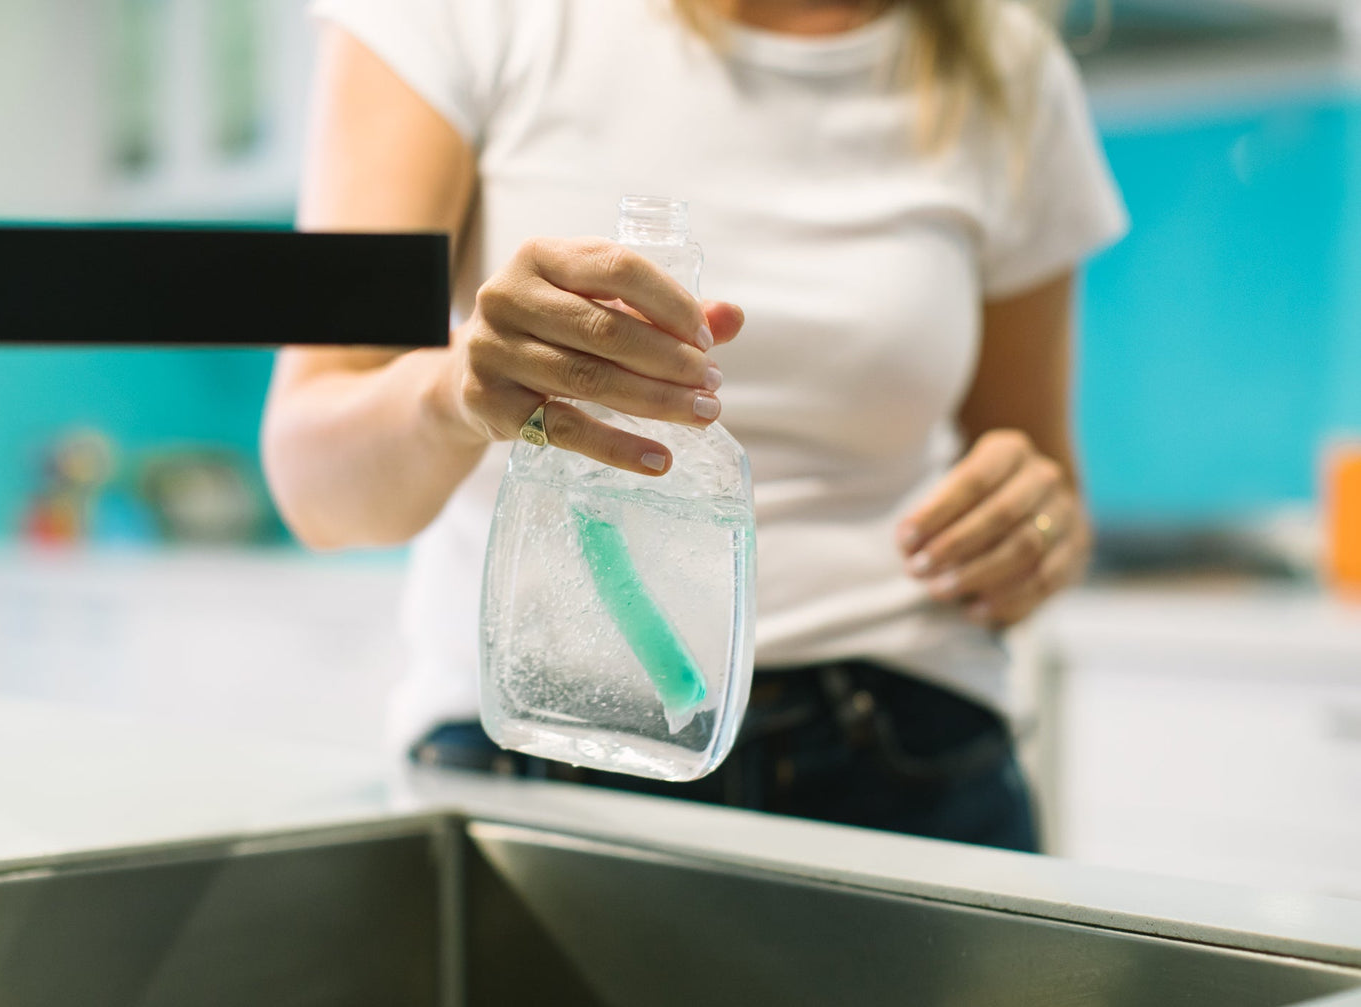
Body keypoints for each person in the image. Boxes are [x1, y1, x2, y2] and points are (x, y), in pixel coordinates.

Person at [262, 0, 1126, 853]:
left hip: (914, 759)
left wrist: (1035, 528)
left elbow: (1047, 487)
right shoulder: (466, 17)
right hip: (545, 754)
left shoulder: (1005, 65)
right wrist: (455, 386)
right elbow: (316, 485)